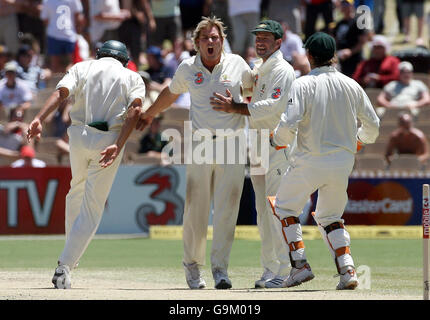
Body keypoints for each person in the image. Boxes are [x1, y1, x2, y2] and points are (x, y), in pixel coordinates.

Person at [138, 16, 254, 289]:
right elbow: (171, 92)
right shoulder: (188, 68)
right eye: (205, 39)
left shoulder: (238, 64)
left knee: (227, 209)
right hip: (201, 143)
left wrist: (237, 106)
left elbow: (252, 91)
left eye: (215, 38)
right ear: (197, 44)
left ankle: (221, 270)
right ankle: (192, 267)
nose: (211, 42)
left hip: (233, 143)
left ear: (222, 41)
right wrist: (150, 113)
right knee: (195, 208)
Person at [26, 40, 147, 289]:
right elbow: (135, 111)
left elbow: (60, 94)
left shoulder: (83, 67)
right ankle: (65, 264)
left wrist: (39, 118)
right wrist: (119, 144)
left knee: (76, 192)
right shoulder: (132, 76)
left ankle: (71, 254)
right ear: (124, 59)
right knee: (92, 207)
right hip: (109, 139)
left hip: (79, 136)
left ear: (99, 54)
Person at [270, 32, 380, 289]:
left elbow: (287, 123)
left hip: (310, 159)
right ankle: (348, 271)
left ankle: (299, 266)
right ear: (333, 56)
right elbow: (373, 126)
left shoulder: (302, 84)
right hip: (342, 162)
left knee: (284, 207)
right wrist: (358, 141)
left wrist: (277, 140)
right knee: (330, 216)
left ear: (309, 55)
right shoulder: (352, 84)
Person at [209, 20, 296, 288]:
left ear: (279, 42)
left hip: (277, 147)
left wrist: (236, 108)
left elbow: (273, 106)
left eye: (266, 38)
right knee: (262, 210)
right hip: (259, 145)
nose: (260, 41)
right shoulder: (259, 67)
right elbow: (250, 93)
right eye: (258, 37)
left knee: (276, 209)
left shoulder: (283, 69)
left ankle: (285, 270)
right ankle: (270, 269)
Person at [40, 0, 85, 73]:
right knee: (71, 65)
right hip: (69, 35)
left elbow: (45, 19)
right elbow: (78, 17)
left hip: (54, 35)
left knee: (55, 65)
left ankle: (59, 83)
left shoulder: (47, 1)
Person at [333, 0, 370, 77]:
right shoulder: (339, 24)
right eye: (343, 5)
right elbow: (335, 40)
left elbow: (362, 42)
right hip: (341, 59)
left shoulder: (357, 23)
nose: (344, 7)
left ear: (352, 6)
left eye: (347, 4)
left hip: (355, 59)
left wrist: (350, 51)